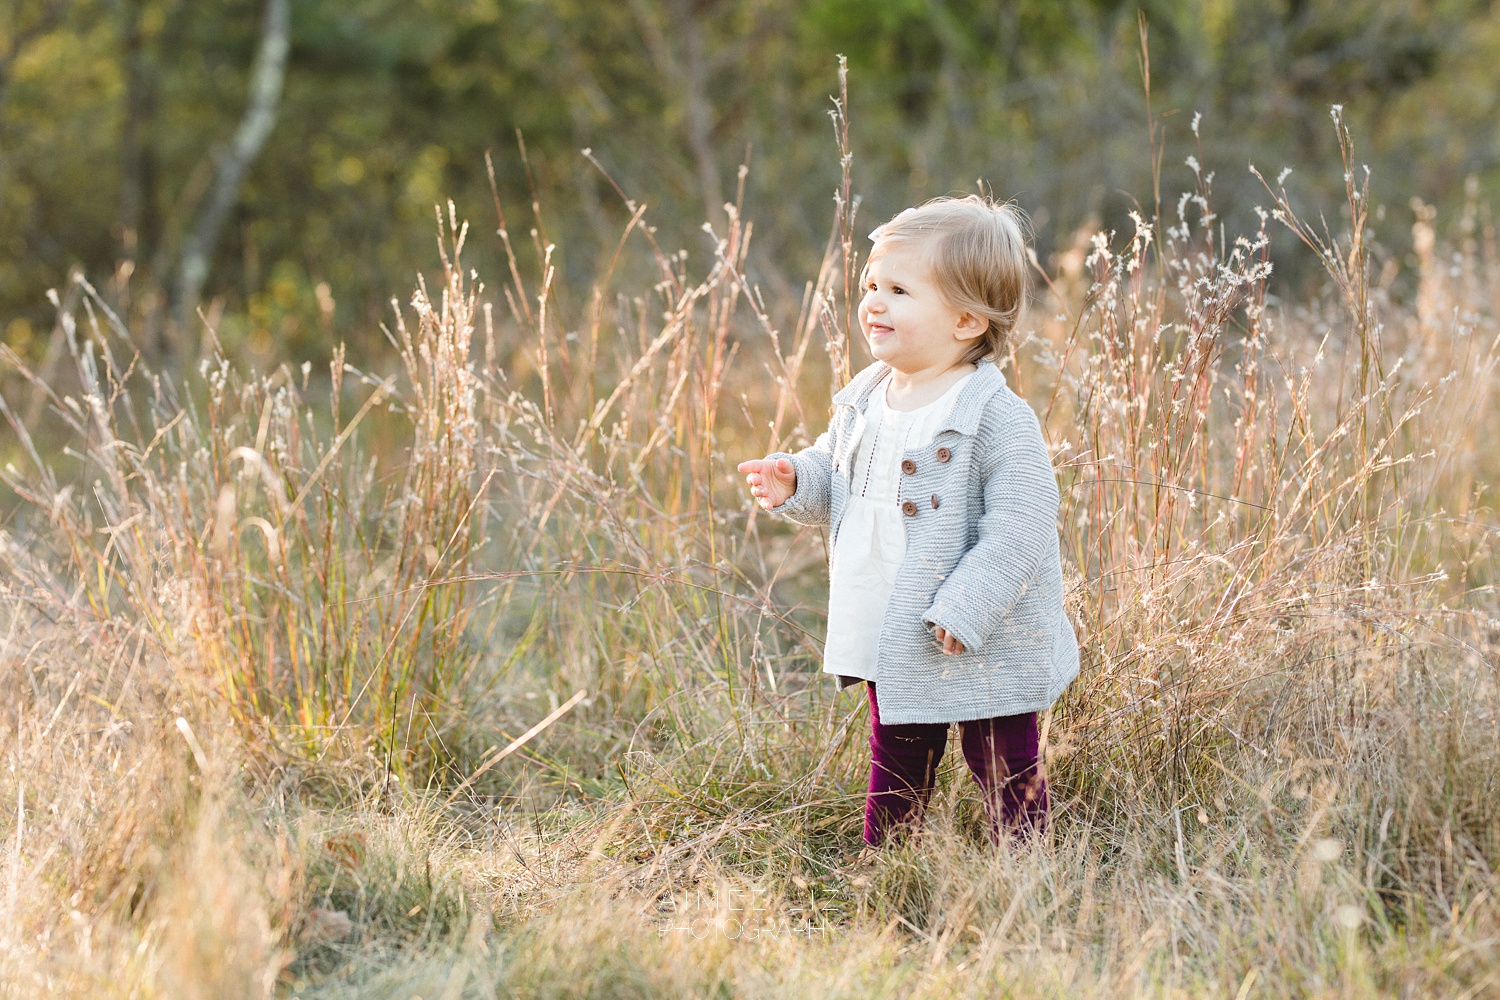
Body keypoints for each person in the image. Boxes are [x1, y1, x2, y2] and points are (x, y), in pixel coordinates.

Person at [737, 194, 1079, 851]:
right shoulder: (867, 396)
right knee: (898, 746)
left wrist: (968, 604)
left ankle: (1029, 865)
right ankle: (888, 860)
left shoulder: (997, 416)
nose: (873, 301)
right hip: (894, 613)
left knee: (1000, 755)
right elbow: (839, 480)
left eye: (898, 289)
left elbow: (1024, 521)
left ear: (965, 319)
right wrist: (796, 481)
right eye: (870, 284)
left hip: (974, 629)